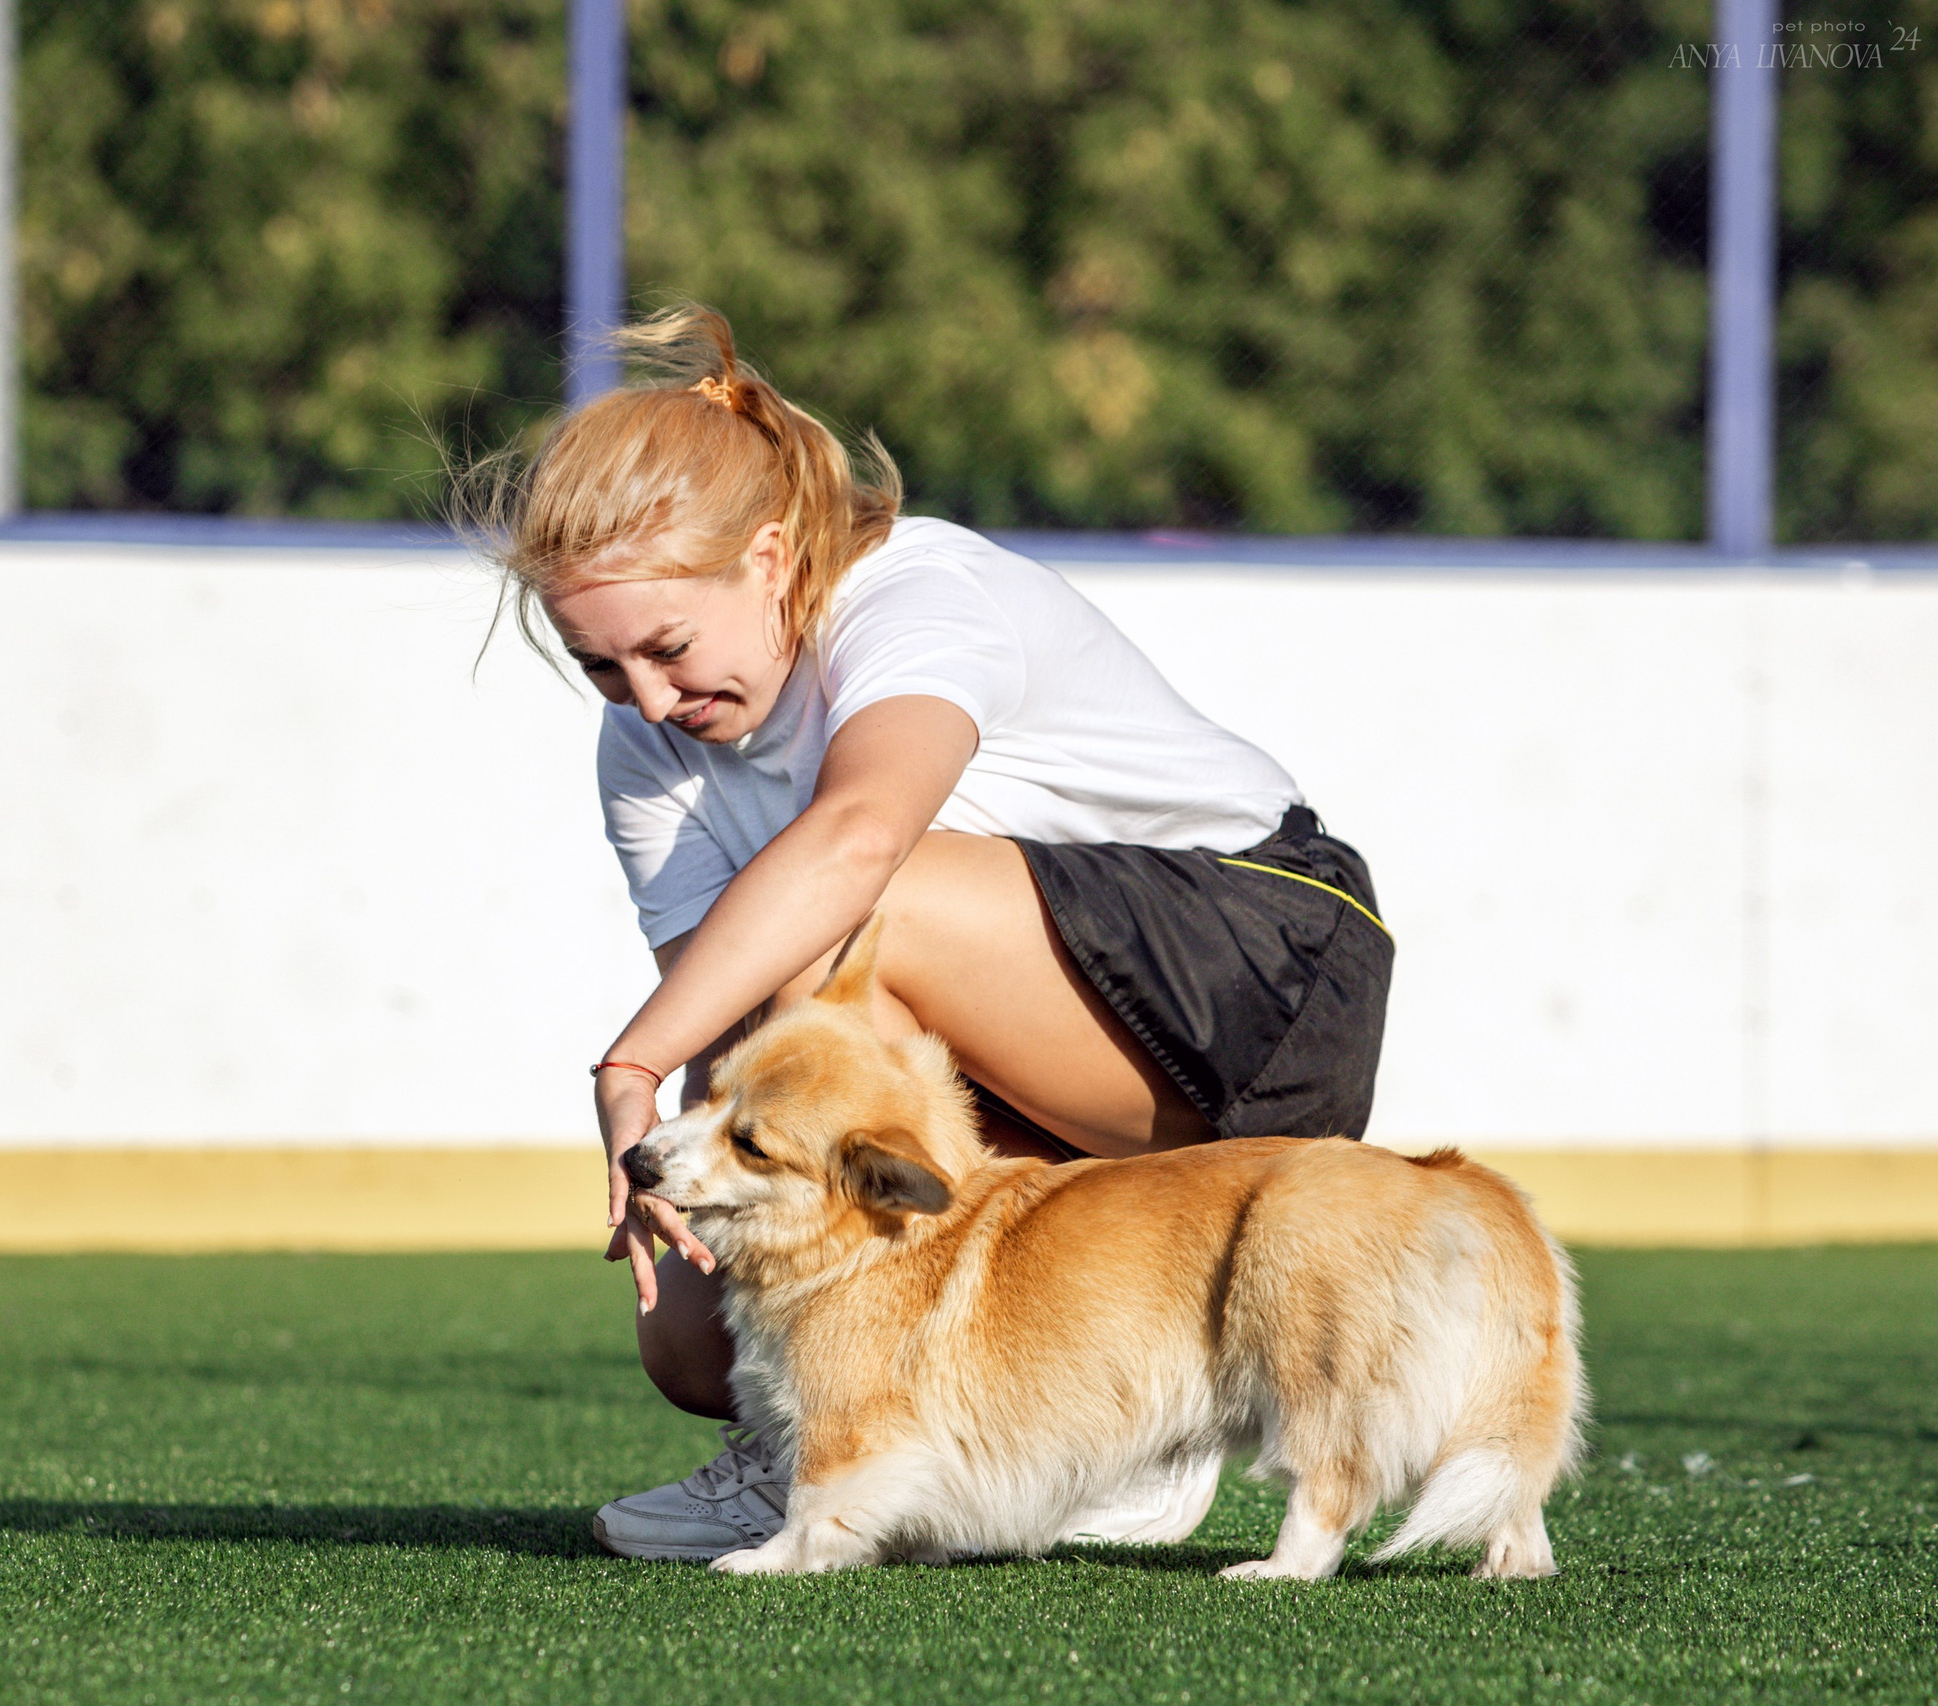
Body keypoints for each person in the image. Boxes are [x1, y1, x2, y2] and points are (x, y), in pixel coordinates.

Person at [467, 306, 1392, 1563]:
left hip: (1262, 973)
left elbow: (859, 840)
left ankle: (1132, 1434)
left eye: (668, 647)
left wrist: (627, 1069)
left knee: (865, 916)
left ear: (773, 553)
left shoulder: (915, 595)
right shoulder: (643, 748)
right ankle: (844, 1447)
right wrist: (689, 1179)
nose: (649, 701)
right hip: (1022, 1049)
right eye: (602, 668)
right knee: (693, 1332)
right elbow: (746, 1027)